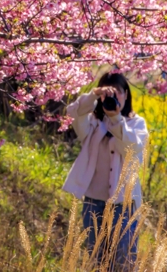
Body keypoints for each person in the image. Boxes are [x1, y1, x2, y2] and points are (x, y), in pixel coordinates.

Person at [62, 72, 149, 270]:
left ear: (126, 95)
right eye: (107, 92)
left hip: (124, 205)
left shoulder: (136, 124)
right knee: (97, 261)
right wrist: (93, 95)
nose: (113, 97)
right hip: (94, 202)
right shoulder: (92, 122)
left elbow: (130, 148)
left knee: (122, 262)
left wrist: (116, 118)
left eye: (117, 92)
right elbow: (73, 113)